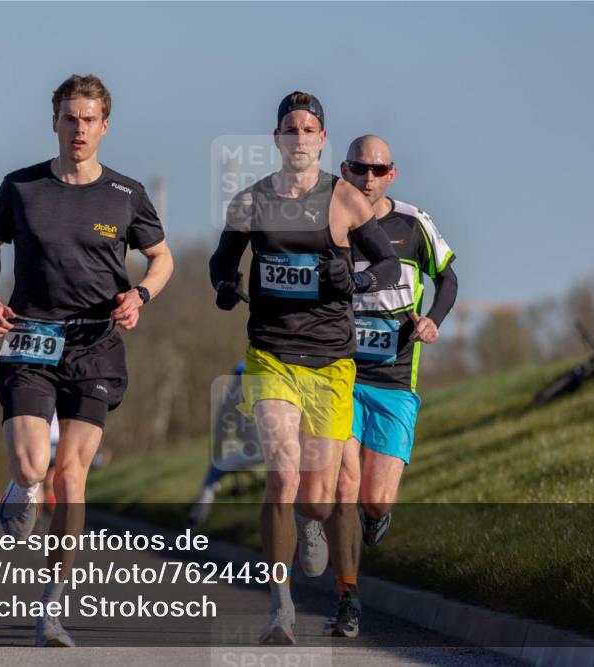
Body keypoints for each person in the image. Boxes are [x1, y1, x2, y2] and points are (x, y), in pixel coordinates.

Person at [0, 74, 173, 647]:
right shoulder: (21, 187)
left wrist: (141, 295)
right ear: (55, 122)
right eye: (69, 117)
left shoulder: (126, 194)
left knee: (73, 475)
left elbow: (161, 258)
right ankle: (20, 487)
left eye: (89, 119)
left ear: (104, 125)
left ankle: (52, 608)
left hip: (96, 344)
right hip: (30, 337)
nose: (78, 128)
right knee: (33, 465)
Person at [208, 92, 400, 645]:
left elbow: (386, 262)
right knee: (282, 475)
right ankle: (281, 607)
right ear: (277, 139)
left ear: (321, 140)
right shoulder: (251, 201)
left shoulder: (344, 200)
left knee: (316, 496)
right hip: (270, 352)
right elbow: (222, 259)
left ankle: (311, 522)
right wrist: (224, 285)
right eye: (289, 128)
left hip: (331, 362)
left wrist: (357, 281)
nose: (299, 137)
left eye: (309, 129)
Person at [323, 135, 458, 638]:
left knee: (376, 499)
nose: (368, 177)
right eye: (359, 168)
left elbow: (449, 279)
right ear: (344, 168)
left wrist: (432, 320)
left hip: (396, 379)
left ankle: (375, 517)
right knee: (343, 486)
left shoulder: (413, 223)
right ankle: (348, 599)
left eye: (379, 169)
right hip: (340, 372)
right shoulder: (329, 219)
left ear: (392, 174)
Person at [188, 362, 264, 529]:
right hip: (277, 450)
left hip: (253, 451)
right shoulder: (265, 393)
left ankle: (196, 519)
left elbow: (221, 432)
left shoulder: (231, 399)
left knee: (214, 473)